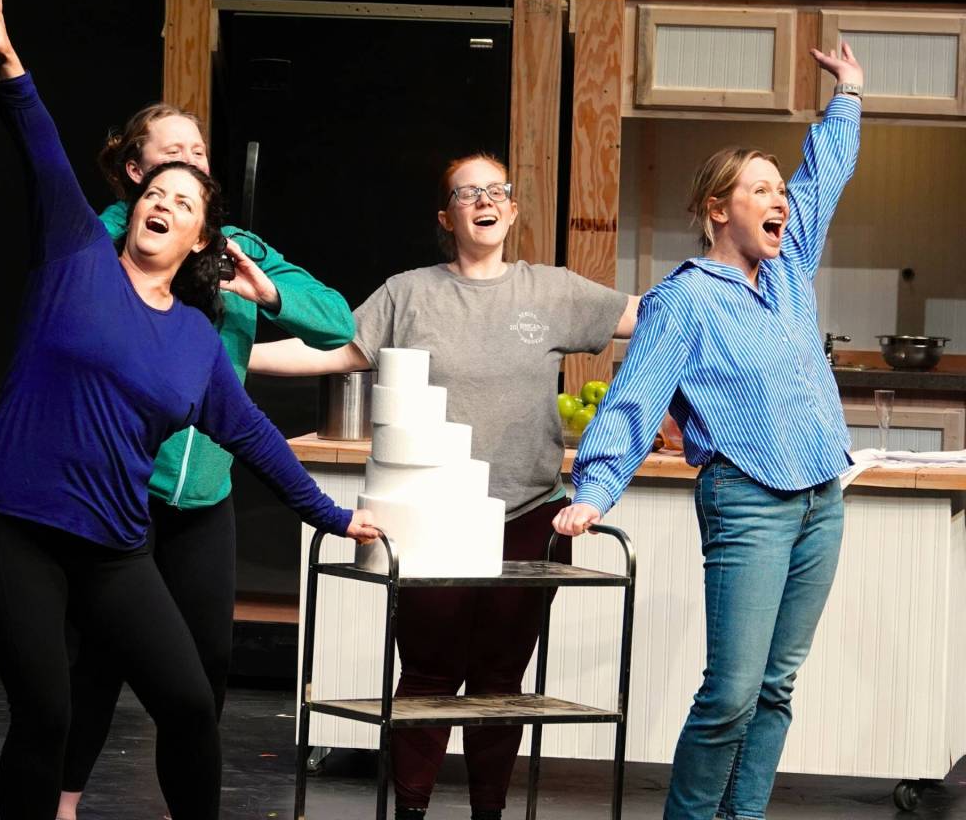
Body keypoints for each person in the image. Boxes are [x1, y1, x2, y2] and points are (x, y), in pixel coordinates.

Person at [0, 0, 377, 820]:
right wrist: (10, 66)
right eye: (157, 190)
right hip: (13, 523)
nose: (167, 201)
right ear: (135, 197)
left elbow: (254, 437)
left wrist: (335, 518)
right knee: (47, 710)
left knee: (189, 701)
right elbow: (42, 155)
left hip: (110, 544)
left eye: (185, 201)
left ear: (199, 237)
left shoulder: (194, 342)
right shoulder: (76, 258)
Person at [248, 152, 639, 820]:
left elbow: (656, 317)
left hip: (529, 516)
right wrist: (230, 355)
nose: (483, 200)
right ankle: (411, 811)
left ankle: (489, 812)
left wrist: (732, 289)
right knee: (429, 674)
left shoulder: (554, 291)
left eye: (495, 190)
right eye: (467, 193)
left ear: (512, 210)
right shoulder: (409, 294)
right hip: (432, 521)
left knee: (500, 682)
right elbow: (336, 349)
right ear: (446, 216)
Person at [554, 45, 864, 820]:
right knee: (730, 695)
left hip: (822, 497)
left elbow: (823, 177)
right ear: (717, 209)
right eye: (760, 189)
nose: (780, 201)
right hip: (749, 499)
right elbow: (633, 399)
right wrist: (595, 490)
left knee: (775, 688)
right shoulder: (683, 301)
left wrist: (849, 96)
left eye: (780, 191)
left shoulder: (789, 268)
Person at [57, 38, 355, 820]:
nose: (192, 161)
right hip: (123, 491)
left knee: (206, 666)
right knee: (97, 663)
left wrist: (265, 293)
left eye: (199, 153)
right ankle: (62, 801)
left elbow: (338, 324)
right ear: (136, 171)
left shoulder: (237, 250)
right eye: (173, 153)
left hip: (205, 497)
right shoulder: (110, 240)